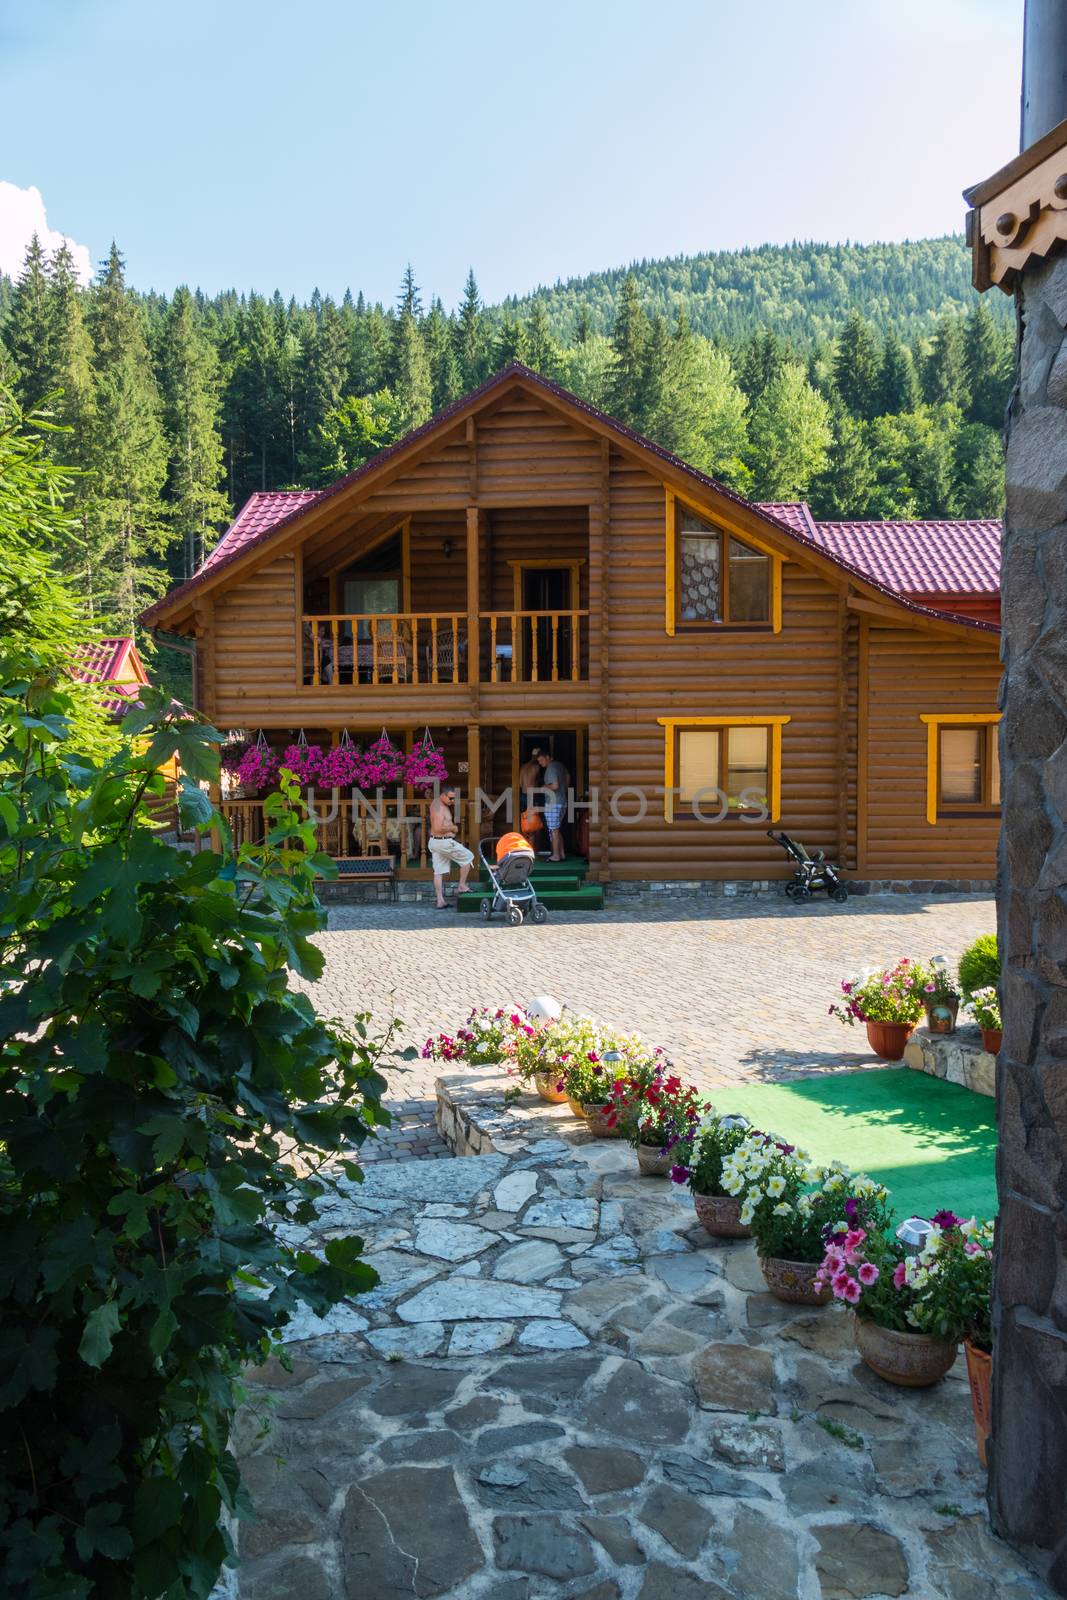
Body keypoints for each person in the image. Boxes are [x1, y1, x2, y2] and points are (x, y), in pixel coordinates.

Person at [428, 784, 474, 909]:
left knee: (438, 872)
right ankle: (462, 886)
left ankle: (440, 901)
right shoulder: (438, 807)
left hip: (437, 842)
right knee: (468, 857)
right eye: (450, 798)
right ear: (443, 795)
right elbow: (437, 828)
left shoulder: (441, 804)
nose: (452, 801)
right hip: (442, 842)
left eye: (454, 799)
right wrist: (452, 828)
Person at [537, 749, 570, 862]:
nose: (540, 763)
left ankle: (555, 855)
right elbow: (567, 776)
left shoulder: (551, 767)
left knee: (553, 829)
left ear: (547, 757)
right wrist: (563, 790)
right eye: (539, 761)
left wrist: (544, 787)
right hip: (562, 800)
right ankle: (561, 854)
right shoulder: (559, 765)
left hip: (553, 803)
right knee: (556, 828)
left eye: (541, 760)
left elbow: (555, 786)